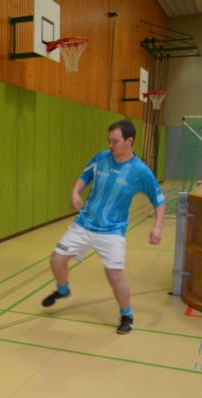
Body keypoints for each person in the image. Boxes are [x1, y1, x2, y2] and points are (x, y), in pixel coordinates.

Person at [41, 120, 166, 335]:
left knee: (114, 276)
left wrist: (157, 227)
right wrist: (75, 192)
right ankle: (63, 290)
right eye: (109, 141)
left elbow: (159, 201)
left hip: (112, 231)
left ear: (129, 141)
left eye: (115, 141)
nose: (110, 145)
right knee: (56, 260)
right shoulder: (101, 158)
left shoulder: (140, 171)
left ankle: (126, 315)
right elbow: (85, 176)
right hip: (84, 224)